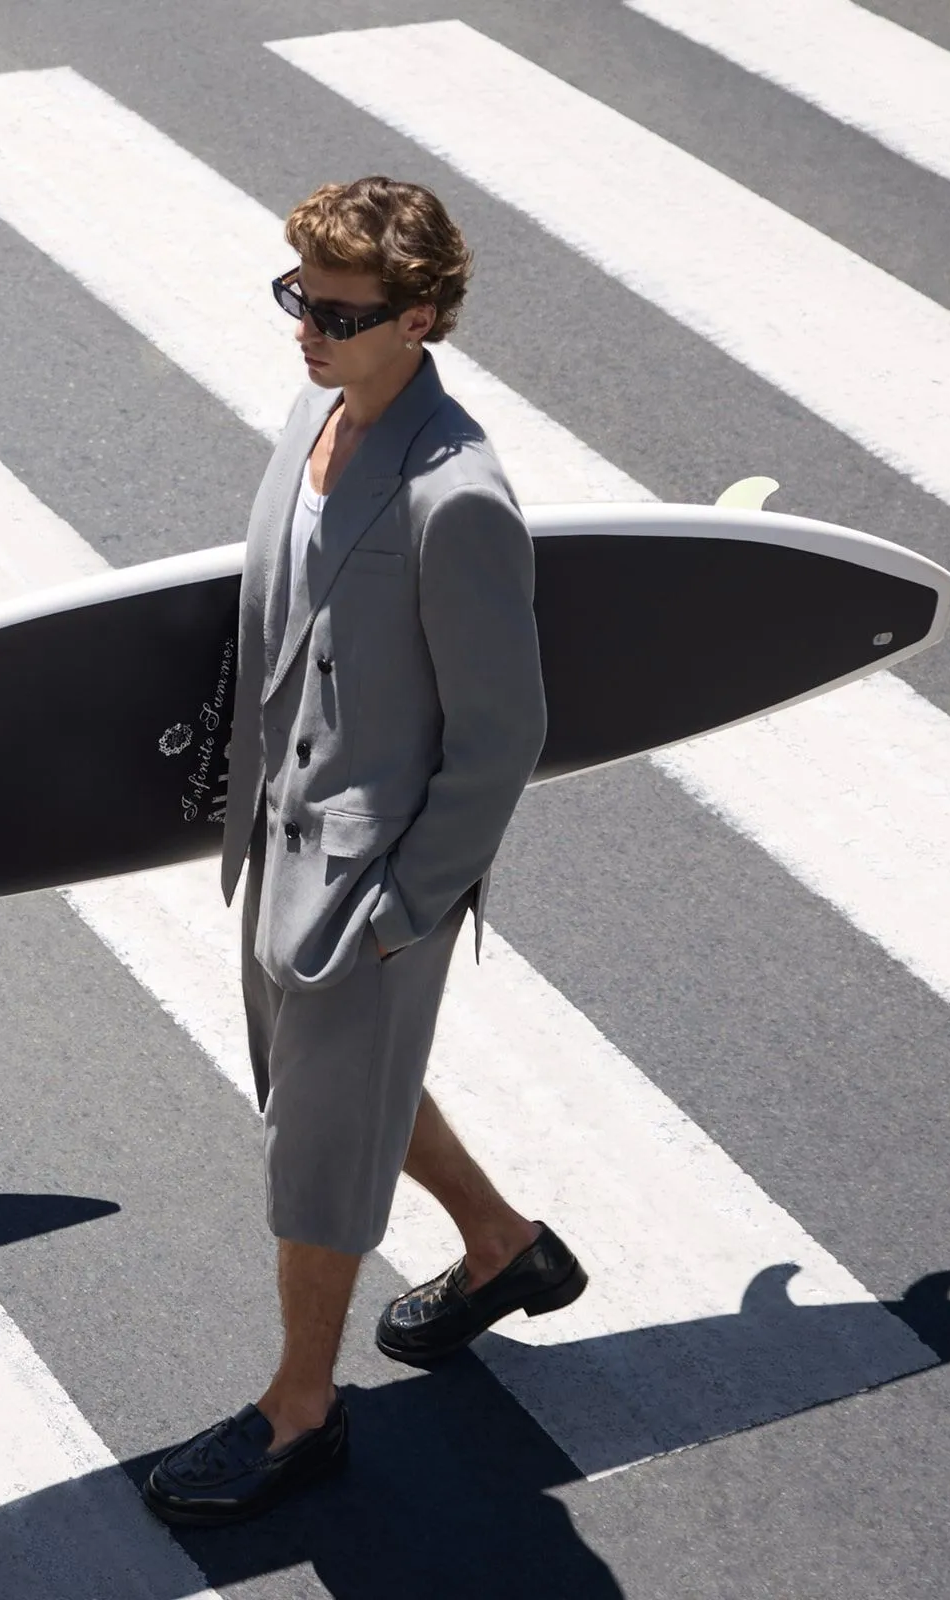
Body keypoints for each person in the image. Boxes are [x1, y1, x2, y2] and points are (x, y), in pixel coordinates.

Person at [142, 178, 588, 1526]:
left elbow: (503, 737)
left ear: (424, 317)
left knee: (317, 1154)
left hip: (369, 883)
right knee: (330, 1102)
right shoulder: (317, 418)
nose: (307, 333)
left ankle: (298, 1411)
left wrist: (402, 910)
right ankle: (503, 1246)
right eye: (299, 301)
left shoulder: (458, 498)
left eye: (340, 315)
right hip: (281, 844)